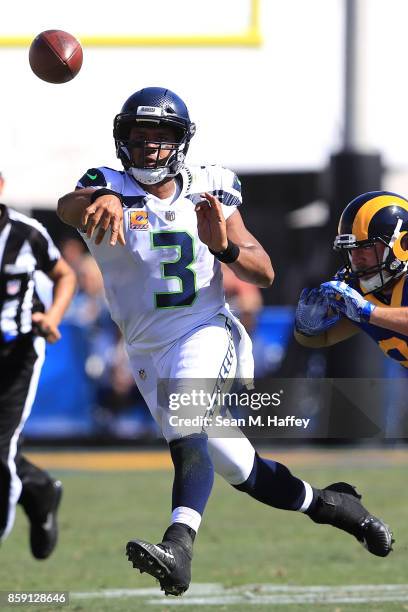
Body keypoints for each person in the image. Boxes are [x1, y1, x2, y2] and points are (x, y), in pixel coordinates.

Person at [57, 88, 393, 596]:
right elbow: (66, 207)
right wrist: (94, 199)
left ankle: (179, 546)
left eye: (161, 137)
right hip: (147, 350)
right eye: (139, 136)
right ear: (122, 139)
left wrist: (225, 245)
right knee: (244, 470)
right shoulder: (104, 184)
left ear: (180, 143)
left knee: (185, 418)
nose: (149, 147)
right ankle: (338, 506)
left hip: (207, 328)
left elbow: (262, 270)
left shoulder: (211, 186)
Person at [0, 203, 76, 558]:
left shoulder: (25, 232)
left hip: (15, 354)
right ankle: (39, 489)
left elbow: (66, 275)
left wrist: (53, 316)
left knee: (0, 449)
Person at [294, 191, 408, 366]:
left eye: (366, 248)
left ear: (403, 245)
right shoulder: (358, 289)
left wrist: (369, 312)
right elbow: (323, 338)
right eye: (351, 249)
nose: (356, 258)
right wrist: (306, 327)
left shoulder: (366, 304)